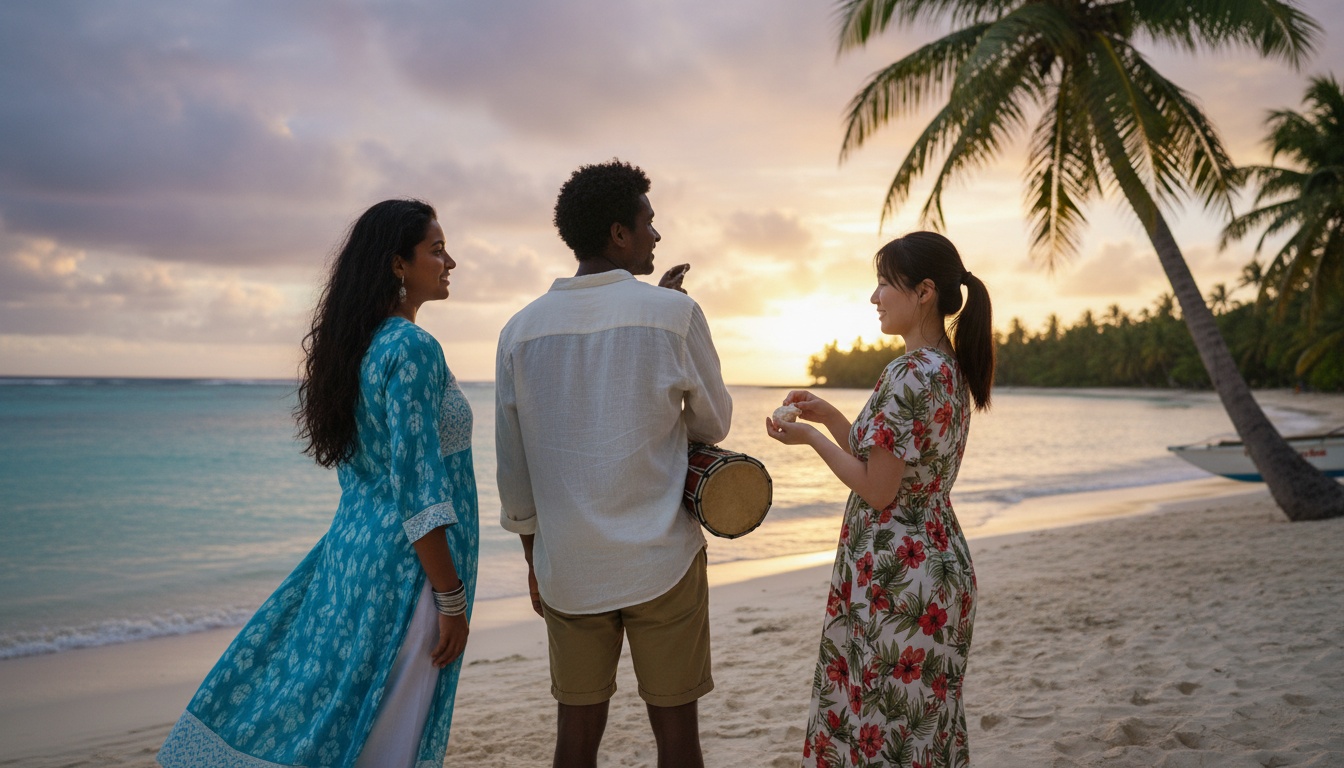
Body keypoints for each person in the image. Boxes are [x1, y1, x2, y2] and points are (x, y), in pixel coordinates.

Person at [157, 199, 478, 768]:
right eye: (436, 249)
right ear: (398, 264)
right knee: (386, 738)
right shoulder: (411, 347)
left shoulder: (359, 347)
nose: (449, 261)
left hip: (349, 561)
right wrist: (450, 598)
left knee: (339, 721)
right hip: (406, 574)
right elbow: (417, 487)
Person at [495, 159, 733, 768]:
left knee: (575, 736)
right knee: (677, 736)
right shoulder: (674, 314)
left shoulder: (518, 332)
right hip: (662, 559)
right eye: (648, 223)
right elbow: (714, 423)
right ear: (619, 233)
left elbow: (514, 470)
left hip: (570, 564)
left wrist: (533, 560)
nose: (657, 235)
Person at [766, 231, 993, 768]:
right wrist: (829, 415)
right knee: (920, 736)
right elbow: (893, 463)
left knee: (883, 732)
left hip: (897, 579)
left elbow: (877, 488)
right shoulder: (946, 367)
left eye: (885, 283)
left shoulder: (909, 372)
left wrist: (812, 440)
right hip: (938, 566)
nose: (874, 297)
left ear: (924, 292)